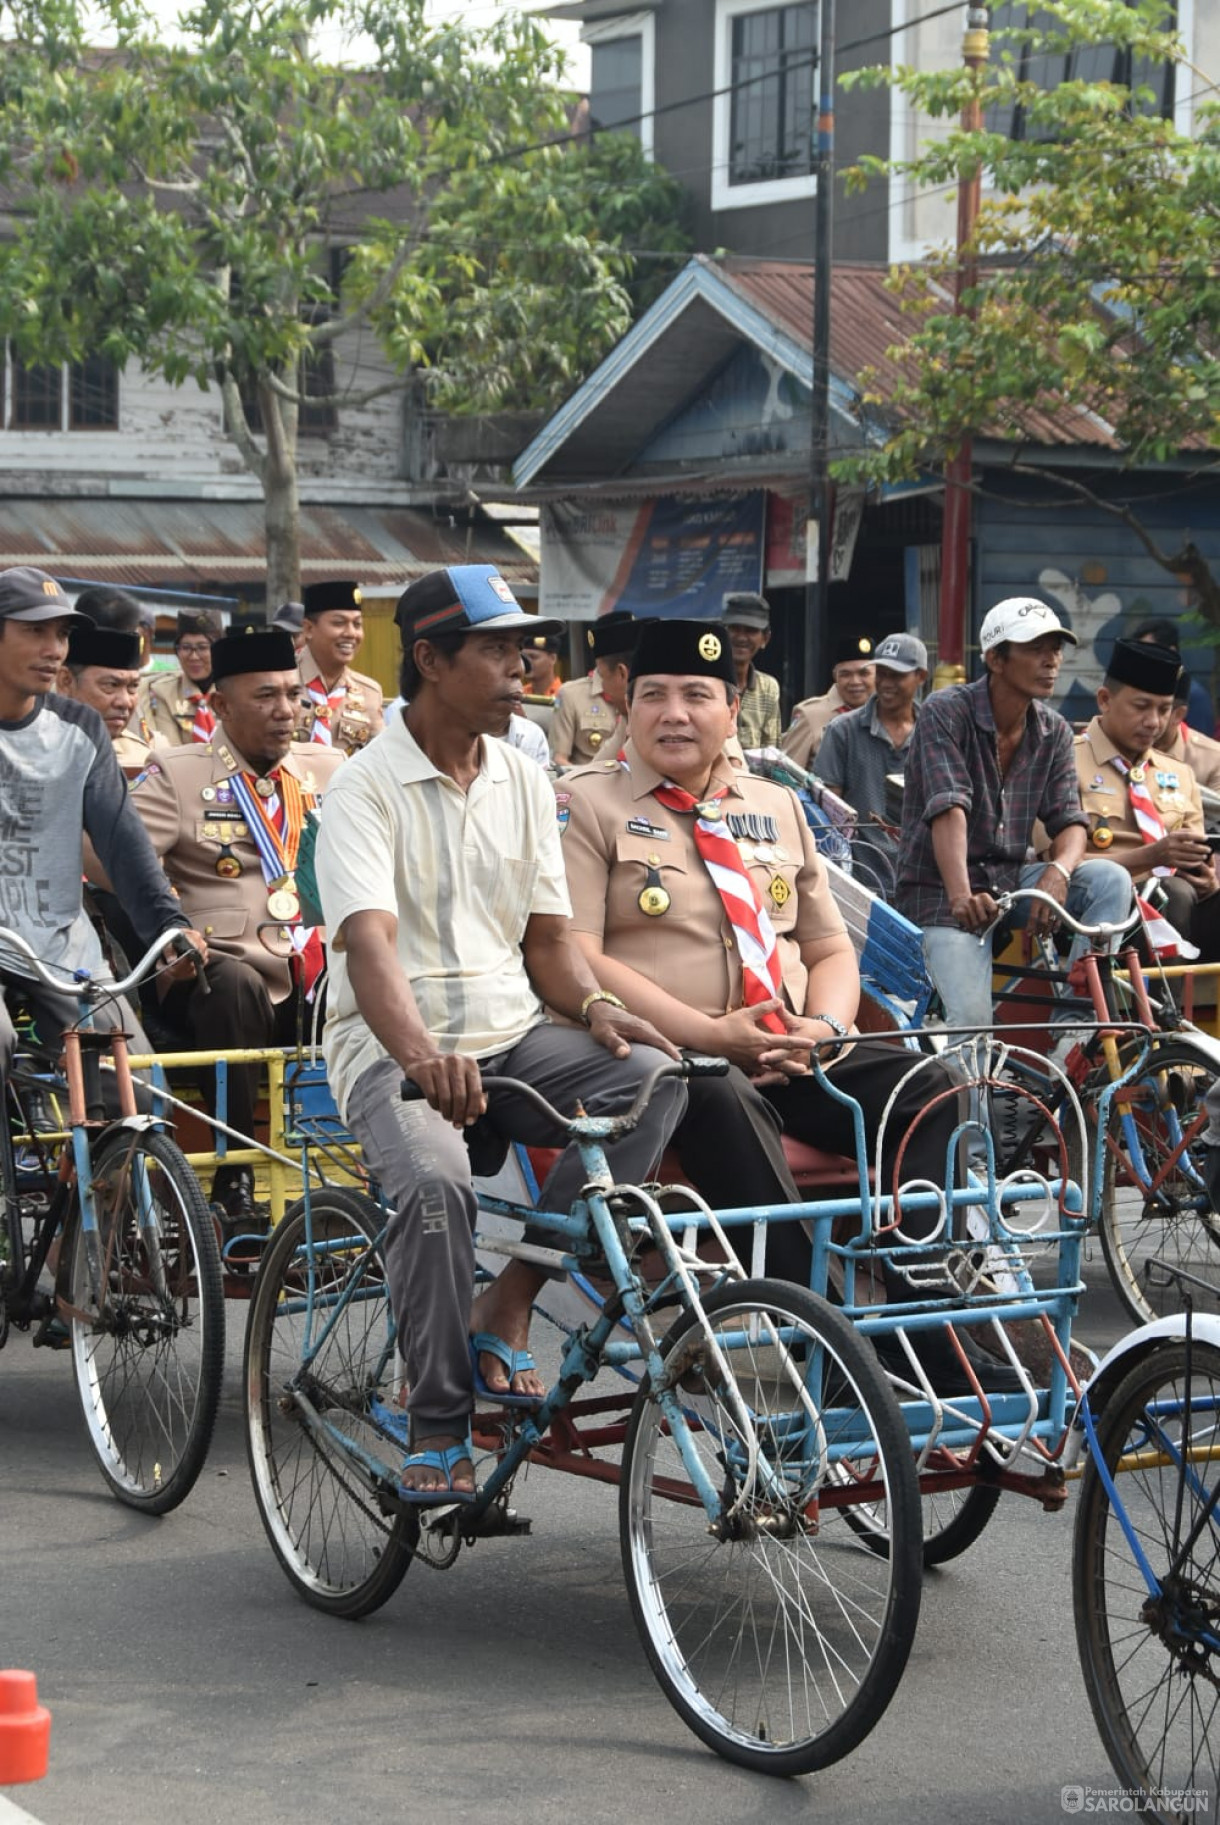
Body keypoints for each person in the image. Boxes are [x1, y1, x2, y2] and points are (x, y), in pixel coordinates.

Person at [557, 616, 1021, 1394]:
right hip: (674, 1065)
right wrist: (710, 1033)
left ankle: (922, 1312)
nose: (675, 713)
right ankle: (826, 1338)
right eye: (655, 695)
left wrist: (827, 1028)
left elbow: (833, 948)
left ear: (732, 709)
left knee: (932, 1085)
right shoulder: (585, 805)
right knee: (717, 1094)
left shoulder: (774, 805)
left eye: (697, 695)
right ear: (624, 708)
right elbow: (578, 954)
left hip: (793, 1050)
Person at [314, 564, 687, 1501]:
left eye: (521, 645)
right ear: (431, 660)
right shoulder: (363, 789)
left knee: (655, 1076)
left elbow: (552, 946)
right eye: (495, 648)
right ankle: (436, 1423)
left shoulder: (524, 776)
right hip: (392, 1047)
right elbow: (368, 949)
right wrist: (419, 1057)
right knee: (438, 1185)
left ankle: (509, 1302)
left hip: (511, 1033)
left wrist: (598, 1007)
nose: (520, 664)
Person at [128, 628, 344, 1224]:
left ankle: (369, 1166)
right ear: (220, 705)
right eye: (265, 696)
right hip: (216, 971)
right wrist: (172, 924)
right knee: (235, 986)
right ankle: (235, 1175)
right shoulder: (176, 771)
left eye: (294, 695)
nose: (286, 711)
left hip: (318, 967)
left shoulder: (327, 768)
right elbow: (120, 864)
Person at [0, 566, 204, 1086]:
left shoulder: (78, 727)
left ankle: (101, 1166)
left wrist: (169, 925)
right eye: (34, 631)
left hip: (59, 945)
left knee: (137, 1083)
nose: (54, 649)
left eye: (62, 634)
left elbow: (122, 839)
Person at [895, 596, 1132, 1037]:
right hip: (940, 894)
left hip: (1009, 884)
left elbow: (1070, 820)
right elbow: (950, 806)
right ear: (996, 659)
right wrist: (961, 895)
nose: (1051, 661)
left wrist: (1059, 871)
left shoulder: (1054, 730)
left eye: (1056, 649)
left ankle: (1074, 1029)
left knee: (1109, 880)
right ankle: (970, 1106)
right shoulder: (946, 712)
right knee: (970, 1026)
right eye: (1036, 649)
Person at [1068, 637, 1220, 959]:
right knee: (1173, 893)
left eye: (1164, 710)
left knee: (1186, 891)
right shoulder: (1065, 762)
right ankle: (1167, 1009)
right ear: (1105, 700)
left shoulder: (1179, 774)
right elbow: (1060, 865)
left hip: (1180, 907)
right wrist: (1151, 857)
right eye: (1141, 707)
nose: (1154, 722)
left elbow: (1195, 860)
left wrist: (1208, 881)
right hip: (1091, 912)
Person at [817, 632, 928, 883]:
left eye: (897, 675)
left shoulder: (934, 732)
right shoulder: (842, 730)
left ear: (921, 676)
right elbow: (828, 811)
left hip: (921, 877)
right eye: (882, 673)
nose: (887, 683)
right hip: (861, 875)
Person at [56, 620, 158, 775]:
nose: (125, 702)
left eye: (133, 687)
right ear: (66, 681)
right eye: (110, 685)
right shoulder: (32, 748)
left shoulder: (144, 758)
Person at [294, 579, 384, 753]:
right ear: (308, 629)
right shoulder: (281, 680)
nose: (351, 633)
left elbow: (378, 758)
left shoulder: (369, 693)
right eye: (338, 623)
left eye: (357, 624)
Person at [549, 611, 636, 767]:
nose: (602, 685)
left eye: (603, 676)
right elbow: (602, 763)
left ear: (622, 673)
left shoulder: (650, 714)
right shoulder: (626, 716)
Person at [781, 634, 875, 770]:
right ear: (835, 676)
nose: (855, 681)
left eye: (864, 674)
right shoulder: (810, 714)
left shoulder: (886, 715)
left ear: (878, 675)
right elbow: (786, 774)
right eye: (845, 674)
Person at [140, 609, 224, 746]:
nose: (194, 656)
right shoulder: (163, 692)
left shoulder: (233, 692)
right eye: (186, 647)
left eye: (202, 648)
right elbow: (169, 750)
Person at [1131, 614, 1215, 738]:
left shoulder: (1194, 696)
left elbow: (1200, 747)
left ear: (1171, 651)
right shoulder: (1135, 687)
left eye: (1150, 651)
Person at [720, 591, 781, 749]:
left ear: (765, 638)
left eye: (751, 630)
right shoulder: (709, 683)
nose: (741, 637)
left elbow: (771, 750)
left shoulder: (768, 687)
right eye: (734, 629)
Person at [1159, 669, 1220, 798]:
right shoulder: (1113, 745)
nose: (1148, 720)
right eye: (1137, 706)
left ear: (1178, 715)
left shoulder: (1212, 759)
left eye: (1161, 710)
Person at [521, 630, 563, 697]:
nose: (527, 662)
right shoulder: (520, 695)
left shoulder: (565, 696)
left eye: (533, 657)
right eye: (524, 658)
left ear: (553, 658)